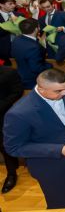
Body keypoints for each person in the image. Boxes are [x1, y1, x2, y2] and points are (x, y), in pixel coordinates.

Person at [3, 69, 65, 209]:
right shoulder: (19, 113)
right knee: (59, 208)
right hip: (51, 166)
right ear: (41, 89)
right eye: (59, 91)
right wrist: (58, 149)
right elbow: (13, 147)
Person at [0, 65, 22, 193]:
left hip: (2, 115)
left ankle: (11, 174)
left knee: (4, 145)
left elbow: (17, 91)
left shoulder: (8, 72)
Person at [12, 18, 52, 89]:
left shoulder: (17, 39)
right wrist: (49, 66)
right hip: (32, 80)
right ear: (37, 29)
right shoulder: (34, 47)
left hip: (20, 74)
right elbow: (36, 68)